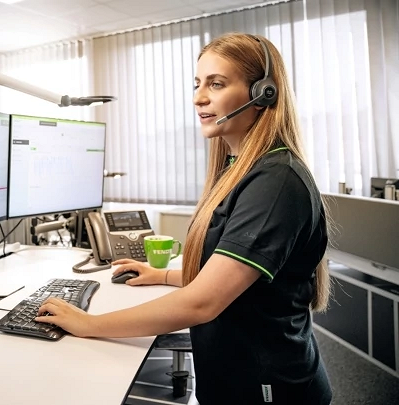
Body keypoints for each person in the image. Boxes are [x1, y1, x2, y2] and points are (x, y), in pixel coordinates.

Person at [34, 32, 333, 405]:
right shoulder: (240, 168)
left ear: (262, 94)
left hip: (267, 387)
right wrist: (162, 275)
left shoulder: (275, 181)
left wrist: (89, 324)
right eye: (197, 84)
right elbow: (231, 275)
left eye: (217, 84)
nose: (199, 97)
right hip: (233, 378)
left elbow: (202, 303)